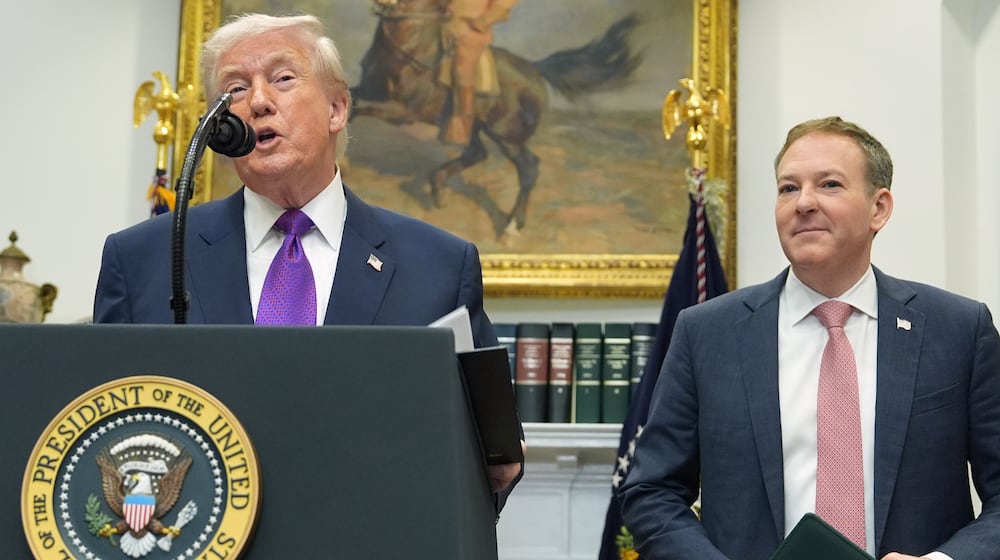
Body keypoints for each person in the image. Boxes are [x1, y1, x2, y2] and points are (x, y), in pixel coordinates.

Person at [93, 13, 522, 509]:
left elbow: (494, 460)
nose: (257, 101)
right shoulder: (143, 260)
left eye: (282, 78)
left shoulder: (439, 266)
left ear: (337, 108)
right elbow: (103, 431)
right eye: (235, 89)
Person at [618, 116, 1000, 559]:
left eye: (829, 185)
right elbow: (651, 490)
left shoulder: (958, 329)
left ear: (879, 208)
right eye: (788, 188)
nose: (803, 203)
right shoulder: (706, 333)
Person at [439, 0, 519, 145]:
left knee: (462, 69)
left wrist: (482, 21)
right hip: (444, 22)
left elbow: (503, 5)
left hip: (470, 30)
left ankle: (462, 128)